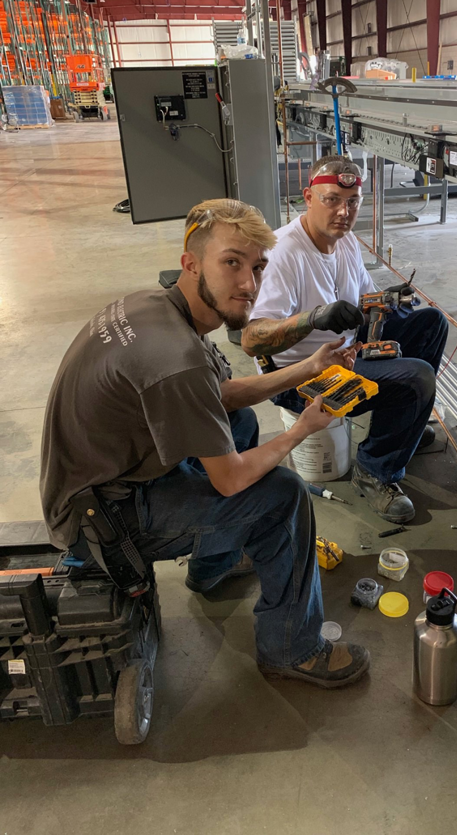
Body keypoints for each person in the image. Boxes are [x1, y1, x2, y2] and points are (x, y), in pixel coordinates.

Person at [40, 199, 370, 689]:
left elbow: (219, 395)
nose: (249, 284)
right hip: (100, 522)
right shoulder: (176, 358)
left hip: (100, 479)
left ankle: (212, 566)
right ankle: (292, 648)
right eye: (231, 262)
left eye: (257, 266)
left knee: (237, 423)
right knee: (283, 497)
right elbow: (231, 478)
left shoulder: (156, 306)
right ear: (191, 263)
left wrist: (308, 368)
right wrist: (299, 430)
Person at [241, 156, 449, 524]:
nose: (343, 212)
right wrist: (313, 319)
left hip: (347, 351)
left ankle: (400, 429)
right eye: (332, 200)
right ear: (309, 197)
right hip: (304, 376)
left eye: (352, 202)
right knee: (418, 377)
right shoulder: (284, 253)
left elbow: (365, 303)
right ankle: (375, 471)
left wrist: (388, 301)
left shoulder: (346, 241)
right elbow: (252, 341)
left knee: (431, 323)